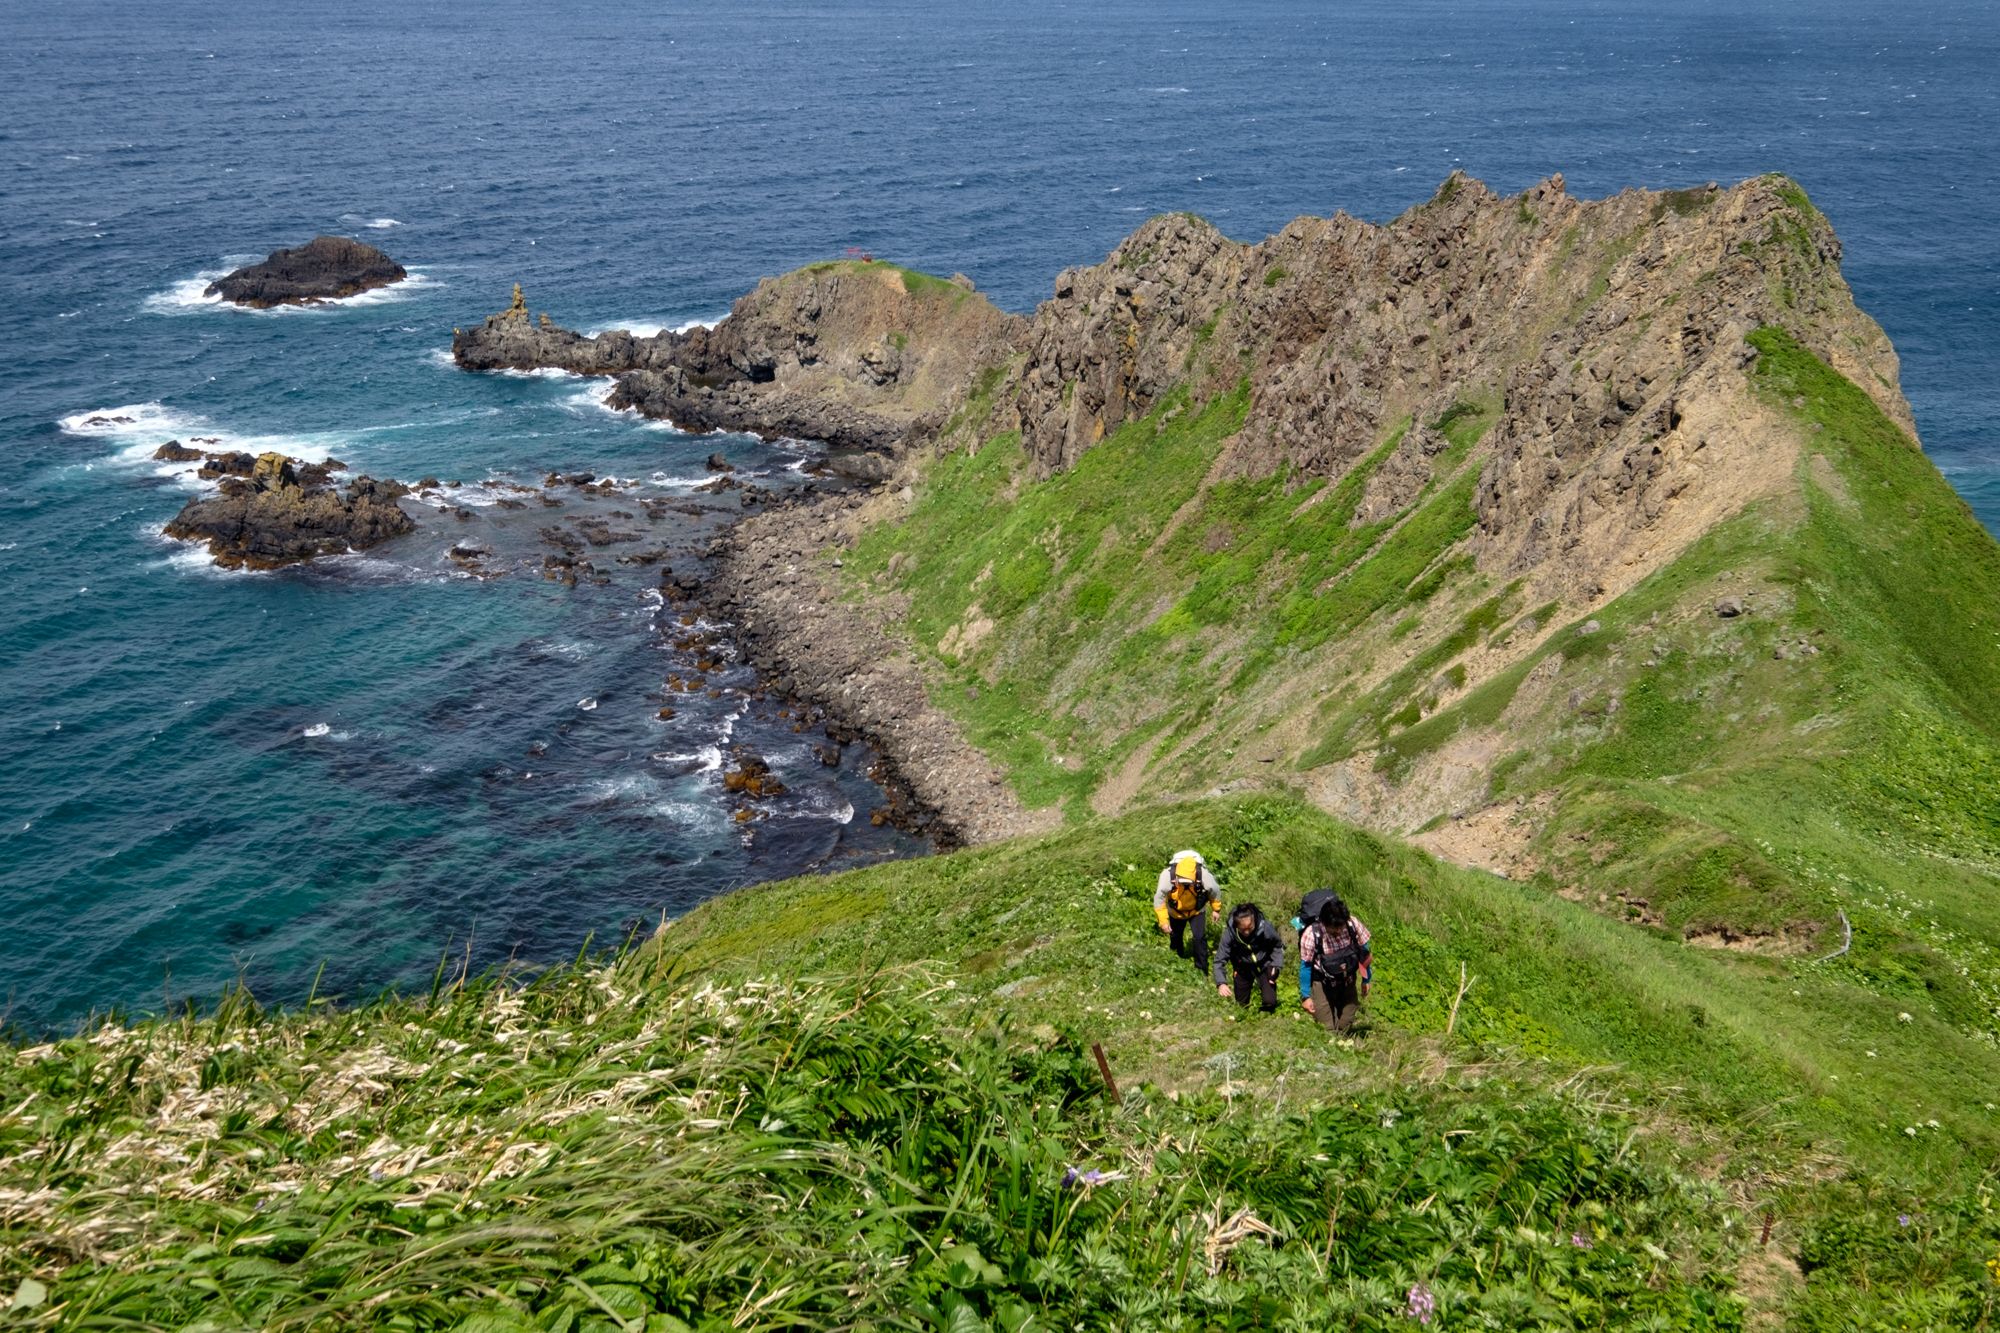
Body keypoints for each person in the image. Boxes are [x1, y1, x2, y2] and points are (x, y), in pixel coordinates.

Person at [1298, 893, 1372, 1033]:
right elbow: (1306, 966)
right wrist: (1306, 996)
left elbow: (1364, 954)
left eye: (1341, 927)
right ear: (1324, 923)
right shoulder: (1311, 934)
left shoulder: (1352, 925)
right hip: (1322, 982)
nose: (1338, 931)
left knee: (1346, 1023)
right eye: (1333, 928)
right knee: (1327, 1029)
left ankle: (1343, 1042)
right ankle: (1331, 1046)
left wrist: (1366, 979)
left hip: (1347, 979)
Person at [1153, 849, 1222, 974]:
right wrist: (1163, 922)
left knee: (1199, 938)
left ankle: (1201, 969)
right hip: (1175, 912)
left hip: (1197, 911)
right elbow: (1159, 901)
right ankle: (1176, 957)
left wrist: (1216, 909)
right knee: (1175, 935)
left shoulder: (1204, 875)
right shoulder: (1166, 876)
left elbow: (1215, 891)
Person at [1213, 903, 1285, 1013]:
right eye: (1243, 929)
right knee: (1241, 1005)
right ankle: (1245, 1019)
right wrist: (1221, 983)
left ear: (1254, 921)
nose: (1246, 932)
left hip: (1264, 965)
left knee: (1270, 1001)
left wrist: (1276, 965)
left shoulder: (1265, 928)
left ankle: (1266, 1017)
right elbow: (1219, 960)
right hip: (1242, 967)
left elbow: (1277, 945)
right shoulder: (1229, 934)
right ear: (1237, 926)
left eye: (1250, 928)